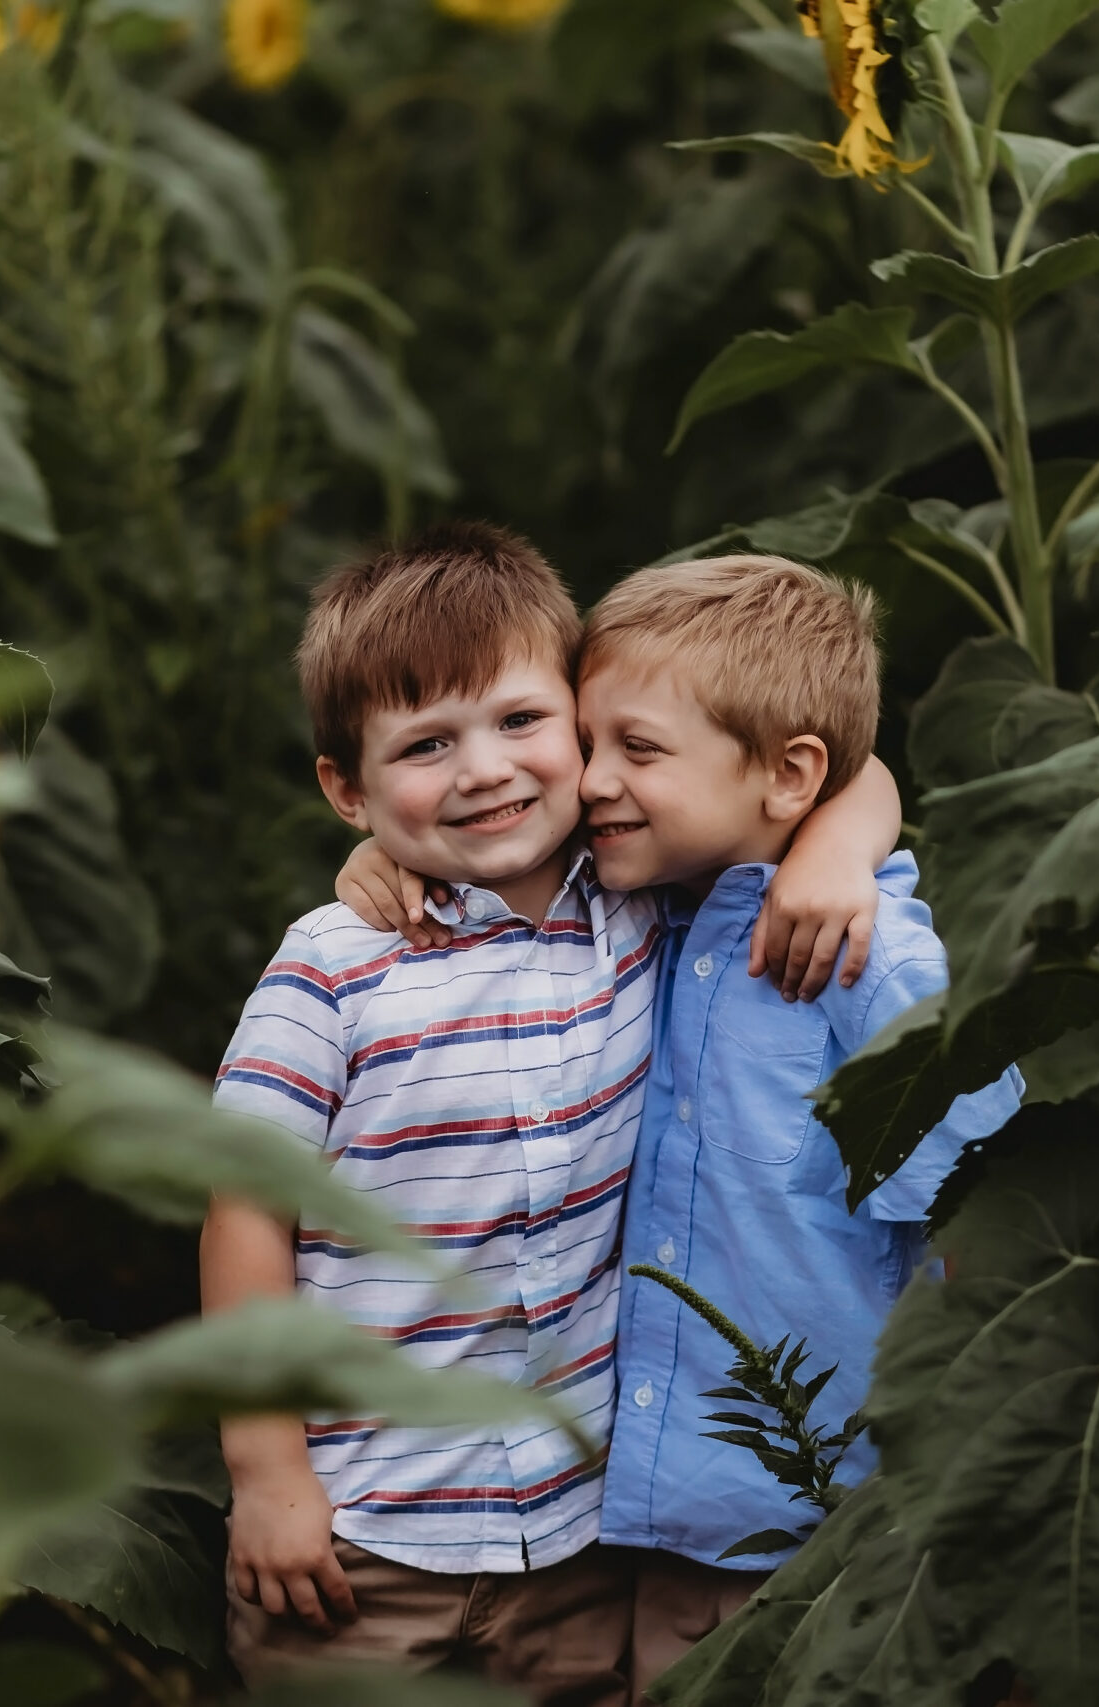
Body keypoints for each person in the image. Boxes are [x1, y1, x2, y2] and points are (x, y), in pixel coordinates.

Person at [202, 524, 903, 1705]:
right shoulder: (336, 965)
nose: (483, 770)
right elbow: (243, 1213)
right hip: (368, 1528)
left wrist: (837, 842)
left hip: (581, 1535)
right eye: (426, 745)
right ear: (343, 787)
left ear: (581, 729)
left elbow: (835, 765)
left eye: (522, 724)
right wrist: (266, 1473)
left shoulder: (637, 905)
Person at [572, 556, 1022, 1696]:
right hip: (661, 1519)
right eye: (584, 745)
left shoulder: (869, 965)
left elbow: (983, 1219)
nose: (587, 782)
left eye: (634, 749)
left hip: (827, 1517)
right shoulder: (640, 906)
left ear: (786, 776)